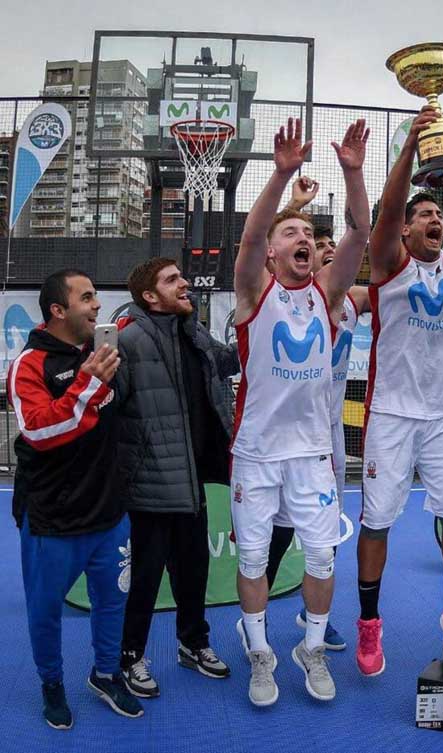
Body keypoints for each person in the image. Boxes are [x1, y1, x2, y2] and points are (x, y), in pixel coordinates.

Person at [356, 105, 443, 676]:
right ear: (407, 230)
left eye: (437, 214)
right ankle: (370, 624)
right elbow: (386, 214)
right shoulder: (389, 263)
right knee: (377, 522)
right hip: (391, 413)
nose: (432, 219)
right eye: (424, 214)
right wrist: (407, 150)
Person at [231, 117, 370, 706]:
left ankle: (309, 648)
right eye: (290, 232)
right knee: (257, 558)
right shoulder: (251, 293)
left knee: (319, 556)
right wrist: (281, 174)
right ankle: (260, 654)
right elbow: (250, 238)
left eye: (308, 232)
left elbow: (361, 233)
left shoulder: (327, 294)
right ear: (272, 251)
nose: (301, 238)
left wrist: (354, 173)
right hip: (258, 454)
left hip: (312, 455)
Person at [8, 269, 143, 729]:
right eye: (87, 298)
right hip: (54, 519)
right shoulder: (28, 364)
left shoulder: (100, 347)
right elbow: (40, 430)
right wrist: (87, 385)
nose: (97, 306)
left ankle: (106, 674)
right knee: (46, 613)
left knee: (112, 603)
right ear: (57, 311)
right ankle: (52, 684)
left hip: (109, 512)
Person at [117, 258, 238, 698]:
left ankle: (193, 643)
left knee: (194, 571)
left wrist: (255, 327)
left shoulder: (192, 332)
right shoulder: (129, 341)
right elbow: (112, 413)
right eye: (172, 280)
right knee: (146, 579)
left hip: (192, 479)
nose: (184, 283)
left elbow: (227, 363)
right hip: (151, 485)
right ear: (150, 296)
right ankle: (130, 656)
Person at [261, 216, 370, 651]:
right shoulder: (284, 297)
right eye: (317, 243)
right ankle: (259, 610)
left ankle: (314, 611)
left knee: (326, 533)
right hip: (284, 429)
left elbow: (394, 288)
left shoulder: (354, 301)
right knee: (279, 529)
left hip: (328, 432)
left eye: (329, 244)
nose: (324, 249)